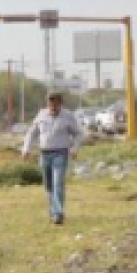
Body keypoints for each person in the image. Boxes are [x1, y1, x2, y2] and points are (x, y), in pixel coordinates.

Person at [22, 91, 83, 226]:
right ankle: (53, 211)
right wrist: (26, 149)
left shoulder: (68, 116)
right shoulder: (41, 115)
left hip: (60, 153)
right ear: (47, 103)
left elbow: (78, 134)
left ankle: (58, 214)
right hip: (44, 154)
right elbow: (32, 133)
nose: (53, 106)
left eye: (56, 103)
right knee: (49, 186)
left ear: (60, 104)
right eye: (50, 103)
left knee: (58, 184)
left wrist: (74, 149)